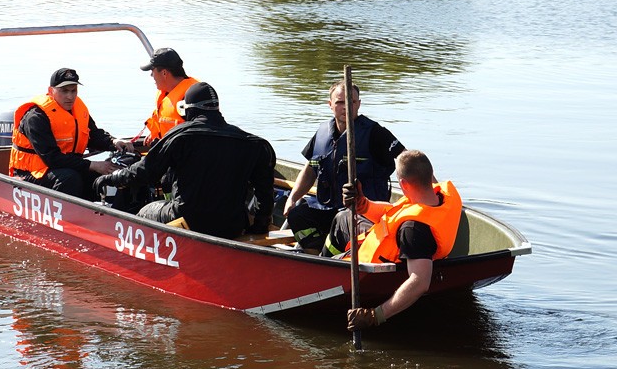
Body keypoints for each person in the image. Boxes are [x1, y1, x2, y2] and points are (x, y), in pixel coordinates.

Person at [93, 82, 276, 239]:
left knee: (144, 212)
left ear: (187, 109)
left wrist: (114, 177)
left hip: (189, 221)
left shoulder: (180, 137)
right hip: (232, 226)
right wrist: (259, 227)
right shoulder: (254, 144)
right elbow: (265, 194)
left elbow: (145, 172)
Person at [322, 150, 462, 331]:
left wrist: (375, 315)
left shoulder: (413, 229)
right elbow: (394, 211)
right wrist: (363, 204)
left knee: (334, 244)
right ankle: (323, 258)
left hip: (367, 265)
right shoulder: (437, 196)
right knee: (343, 217)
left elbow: (420, 282)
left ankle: (322, 266)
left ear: (403, 184)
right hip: (378, 240)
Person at [283, 80, 406, 250]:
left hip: (362, 215)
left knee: (343, 221)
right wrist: (292, 198)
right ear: (330, 104)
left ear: (359, 104)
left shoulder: (375, 133)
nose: (346, 107)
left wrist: (432, 191)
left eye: (352, 102)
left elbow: (408, 160)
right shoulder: (322, 133)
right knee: (297, 214)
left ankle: (330, 255)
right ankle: (315, 252)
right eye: (340, 102)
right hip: (328, 209)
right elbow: (310, 168)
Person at [9, 67, 133, 200]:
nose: (70, 96)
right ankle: (64, 218)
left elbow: (93, 135)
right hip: (31, 173)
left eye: (73, 91)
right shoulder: (36, 117)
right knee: (70, 178)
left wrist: (113, 142)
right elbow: (52, 158)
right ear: (51, 91)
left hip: (65, 165)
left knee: (101, 177)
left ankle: (98, 214)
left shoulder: (77, 110)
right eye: (64, 91)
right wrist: (94, 165)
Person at [139, 48, 199, 147]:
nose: (151, 75)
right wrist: (156, 133)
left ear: (164, 73)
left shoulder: (193, 96)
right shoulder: (165, 92)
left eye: (152, 71)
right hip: (167, 151)